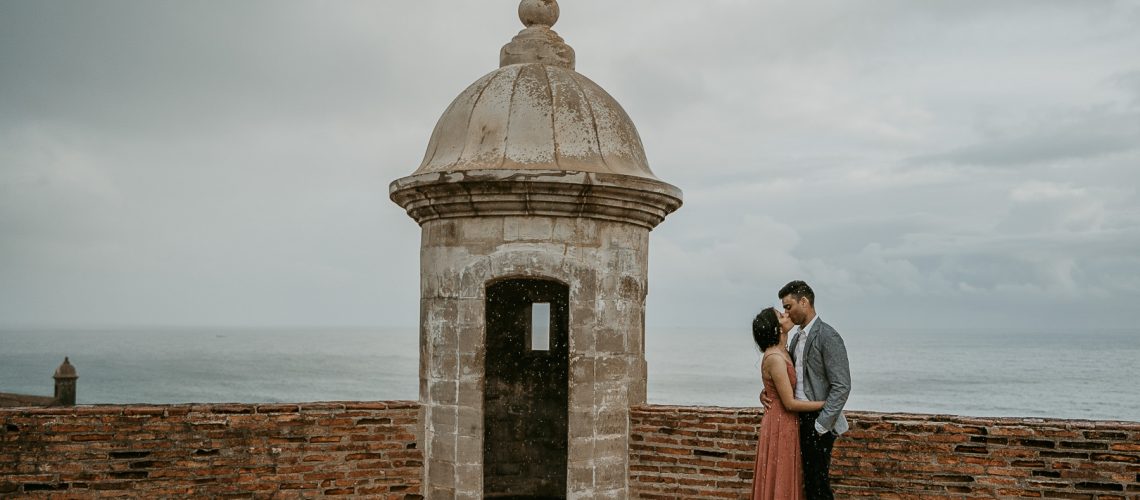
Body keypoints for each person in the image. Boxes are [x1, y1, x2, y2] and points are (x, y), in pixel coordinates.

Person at [763, 280, 851, 500]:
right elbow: (788, 378)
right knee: (805, 481)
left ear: (804, 302)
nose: (786, 312)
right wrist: (766, 392)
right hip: (797, 417)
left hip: (818, 420)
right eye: (784, 308)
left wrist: (821, 425)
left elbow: (842, 385)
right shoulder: (795, 338)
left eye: (789, 306)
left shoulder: (827, 336)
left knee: (817, 482)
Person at [751, 307, 826, 500]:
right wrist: (825, 404)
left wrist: (765, 392)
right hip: (779, 423)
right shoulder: (775, 357)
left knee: (786, 474)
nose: (786, 315)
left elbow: (776, 385)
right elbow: (790, 404)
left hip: (785, 422)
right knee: (781, 474)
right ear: (776, 328)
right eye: (780, 315)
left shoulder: (784, 350)